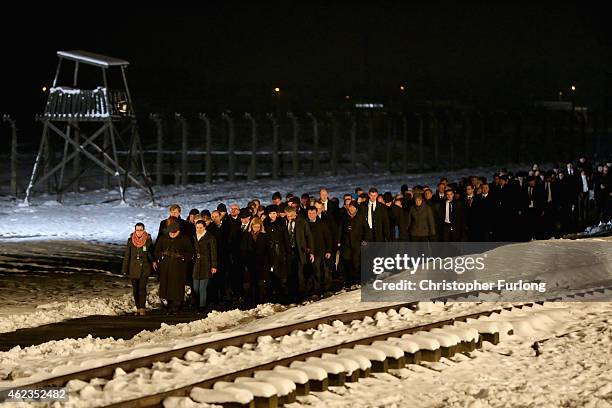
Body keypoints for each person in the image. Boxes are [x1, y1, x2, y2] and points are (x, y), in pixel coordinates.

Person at [154, 219, 194, 314]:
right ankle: (167, 307)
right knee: (166, 288)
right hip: (165, 268)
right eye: (170, 232)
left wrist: (181, 256)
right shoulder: (163, 238)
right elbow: (156, 251)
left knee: (176, 289)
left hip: (179, 269)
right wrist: (162, 254)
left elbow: (190, 253)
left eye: (174, 232)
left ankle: (176, 307)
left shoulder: (185, 239)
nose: (172, 234)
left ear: (178, 231)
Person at [121, 222, 154, 316]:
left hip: (144, 268)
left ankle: (142, 308)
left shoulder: (148, 240)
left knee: (142, 289)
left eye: (141, 230)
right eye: (137, 230)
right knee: (135, 289)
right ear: (135, 230)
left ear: (144, 230)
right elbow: (127, 255)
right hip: (133, 268)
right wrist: (124, 269)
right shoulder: (130, 240)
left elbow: (151, 255)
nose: (139, 232)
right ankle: (138, 308)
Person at [285, 206, 314, 301]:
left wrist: (311, 252)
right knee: (291, 274)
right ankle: (294, 295)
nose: (289, 218)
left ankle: (303, 296)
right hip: (289, 252)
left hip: (301, 251)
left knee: (301, 274)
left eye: (291, 216)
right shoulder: (284, 222)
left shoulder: (302, 222)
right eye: (288, 216)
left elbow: (309, 236)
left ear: (295, 213)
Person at [241, 216, 270, 306]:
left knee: (260, 283)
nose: (256, 229)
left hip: (261, 263)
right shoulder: (246, 235)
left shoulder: (264, 236)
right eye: (254, 227)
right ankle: (251, 301)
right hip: (250, 263)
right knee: (251, 283)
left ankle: (260, 301)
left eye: (258, 227)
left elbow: (267, 250)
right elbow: (243, 249)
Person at [192, 220, 217, 313]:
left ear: (204, 227)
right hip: (196, 264)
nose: (199, 229)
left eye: (200, 228)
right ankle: (196, 303)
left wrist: (214, 265)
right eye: (197, 227)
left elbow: (213, 252)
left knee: (202, 287)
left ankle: (202, 306)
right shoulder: (194, 236)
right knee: (195, 287)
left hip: (206, 264)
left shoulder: (210, 237)